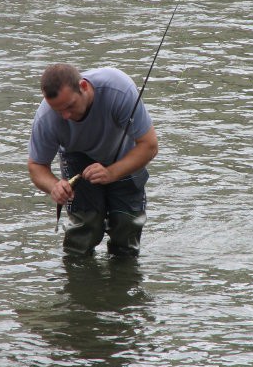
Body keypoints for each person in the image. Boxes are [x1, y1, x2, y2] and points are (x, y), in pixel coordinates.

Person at [28, 63, 158, 258]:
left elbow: (149, 145)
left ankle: (122, 278)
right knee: (86, 225)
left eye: (70, 106)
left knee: (126, 225)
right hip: (77, 157)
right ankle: (78, 278)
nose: (65, 116)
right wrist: (54, 186)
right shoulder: (46, 117)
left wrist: (111, 173)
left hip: (123, 152)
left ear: (84, 87)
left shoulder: (119, 90)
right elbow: (36, 166)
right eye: (58, 110)